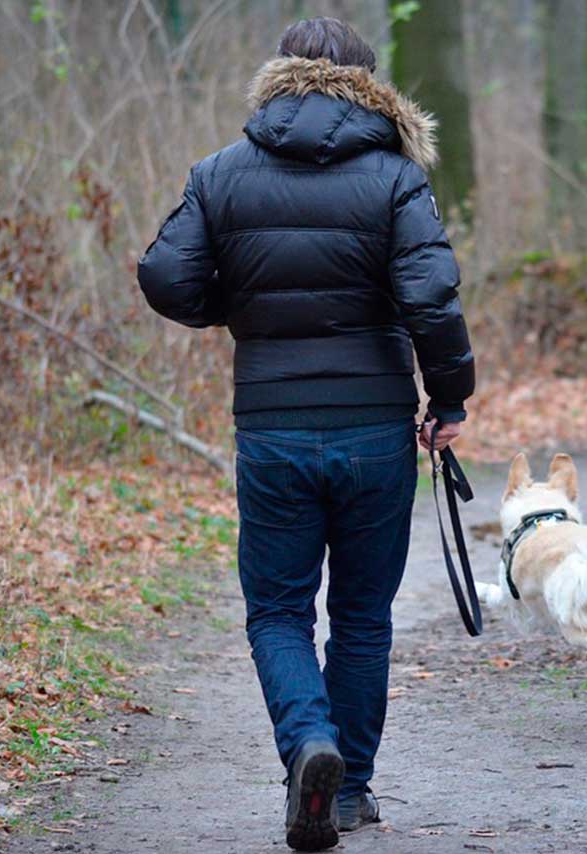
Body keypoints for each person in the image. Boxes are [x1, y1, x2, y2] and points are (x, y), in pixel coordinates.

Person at [137, 17, 474, 852]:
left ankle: (306, 747)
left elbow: (164, 276)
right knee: (362, 615)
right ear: (368, 84)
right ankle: (349, 789)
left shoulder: (221, 173)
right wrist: (451, 397)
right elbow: (431, 298)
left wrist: (241, 309)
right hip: (373, 429)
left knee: (279, 612)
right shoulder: (397, 178)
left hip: (274, 427)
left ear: (278, 76)